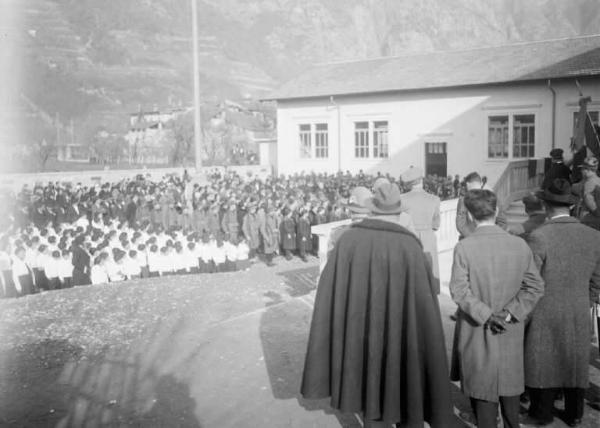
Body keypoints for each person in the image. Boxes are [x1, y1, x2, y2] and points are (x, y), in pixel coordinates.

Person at [302, 179, 453, 427]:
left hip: (360, 331)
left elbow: (331, 291)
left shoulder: (348, 240)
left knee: (368, 384)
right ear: (398, 211)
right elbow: (423, 304)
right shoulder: (410, 246)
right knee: (405, 380)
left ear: (372, 208)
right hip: (401, 332)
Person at [449, 189, 544, 428]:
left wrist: (486, 314)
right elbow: (535, 286)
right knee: (511, 399)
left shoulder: (465, 247)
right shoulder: (519, 245)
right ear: (497, 211)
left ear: (469, 216)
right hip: (510, 328)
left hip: (477, 330)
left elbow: (459, 291)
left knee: (484, 402)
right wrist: (511, 312)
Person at [524, 178, 600, 426]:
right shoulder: (593, 236)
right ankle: (575, 413)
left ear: (546, 205)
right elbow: (597, 279)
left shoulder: (539, 235)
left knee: (543, 359)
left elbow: (531, 279)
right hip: (579, 306)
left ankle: (542, 413)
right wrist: (586, 300)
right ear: (571, 205)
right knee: (575, 359)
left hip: (545, 307)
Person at [400, 166, 441, 294]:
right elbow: (436, 225)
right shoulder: (434, 199)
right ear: (422, 180)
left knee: (410, 273)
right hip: (428, 237)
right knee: (429, 271)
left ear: (408, 184)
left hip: (409, 237)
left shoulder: (402, 199)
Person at [456, 172, 507, 239]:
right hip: (471, 239)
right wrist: (474, 237)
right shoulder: (465, 198)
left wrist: (492, 237)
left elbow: (502, 222)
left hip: (489, 239)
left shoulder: (491, 197)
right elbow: (461, 223)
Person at [575, 157, 600, 230]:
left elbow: (590, 202)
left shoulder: (588, 184)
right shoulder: (598, 180)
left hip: (589, 220)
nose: (581, 171)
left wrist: (597, 214)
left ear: (587, 170)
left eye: (582, 169)